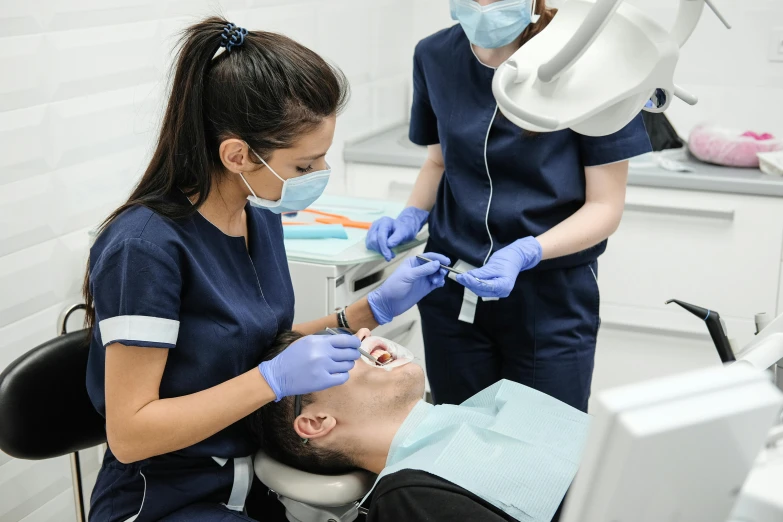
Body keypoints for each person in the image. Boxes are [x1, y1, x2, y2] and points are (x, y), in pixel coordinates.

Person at [84, 17, 451, 522]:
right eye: (303, 166)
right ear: (237, 155)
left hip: (250, 479)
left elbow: (242, 343)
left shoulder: (257, 217)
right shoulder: (145, 249)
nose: (318, 176)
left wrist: (370, 310)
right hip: (164, 497)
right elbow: (130, 435)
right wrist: (272, 379)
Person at [365, 0, 653, 412]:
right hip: (451, 287)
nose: (484, 5)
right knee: (458, 445)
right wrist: (412, 214)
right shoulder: (433, 55)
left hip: (550, 296)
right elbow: (438, 160)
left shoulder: (591, 62)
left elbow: (605, 206)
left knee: (542, 452)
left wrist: (526, 251)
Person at [248, 329, 589, 522]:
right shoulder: (411, 497)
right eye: (333, 354)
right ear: (316, 423)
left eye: (346, 337)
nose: (362, 340)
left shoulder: (487, 409)